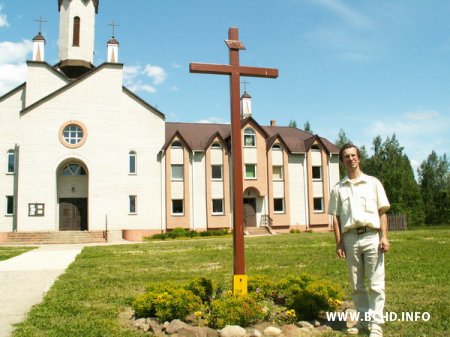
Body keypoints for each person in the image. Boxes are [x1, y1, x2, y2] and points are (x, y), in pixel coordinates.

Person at [328, 143, 390, 337]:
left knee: (376, 283)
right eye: (346, 156)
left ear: (359, 158)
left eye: (353, 155)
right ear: (343, 161)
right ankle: (363, 322)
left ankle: (376, 325)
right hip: (350, 239)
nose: (351, 159)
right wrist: (339, 241)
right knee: (357, 285)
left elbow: (382, 212)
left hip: (372, 236)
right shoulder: (338, 188)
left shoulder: (373, 183)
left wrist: (384, 237)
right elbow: (336, 217)